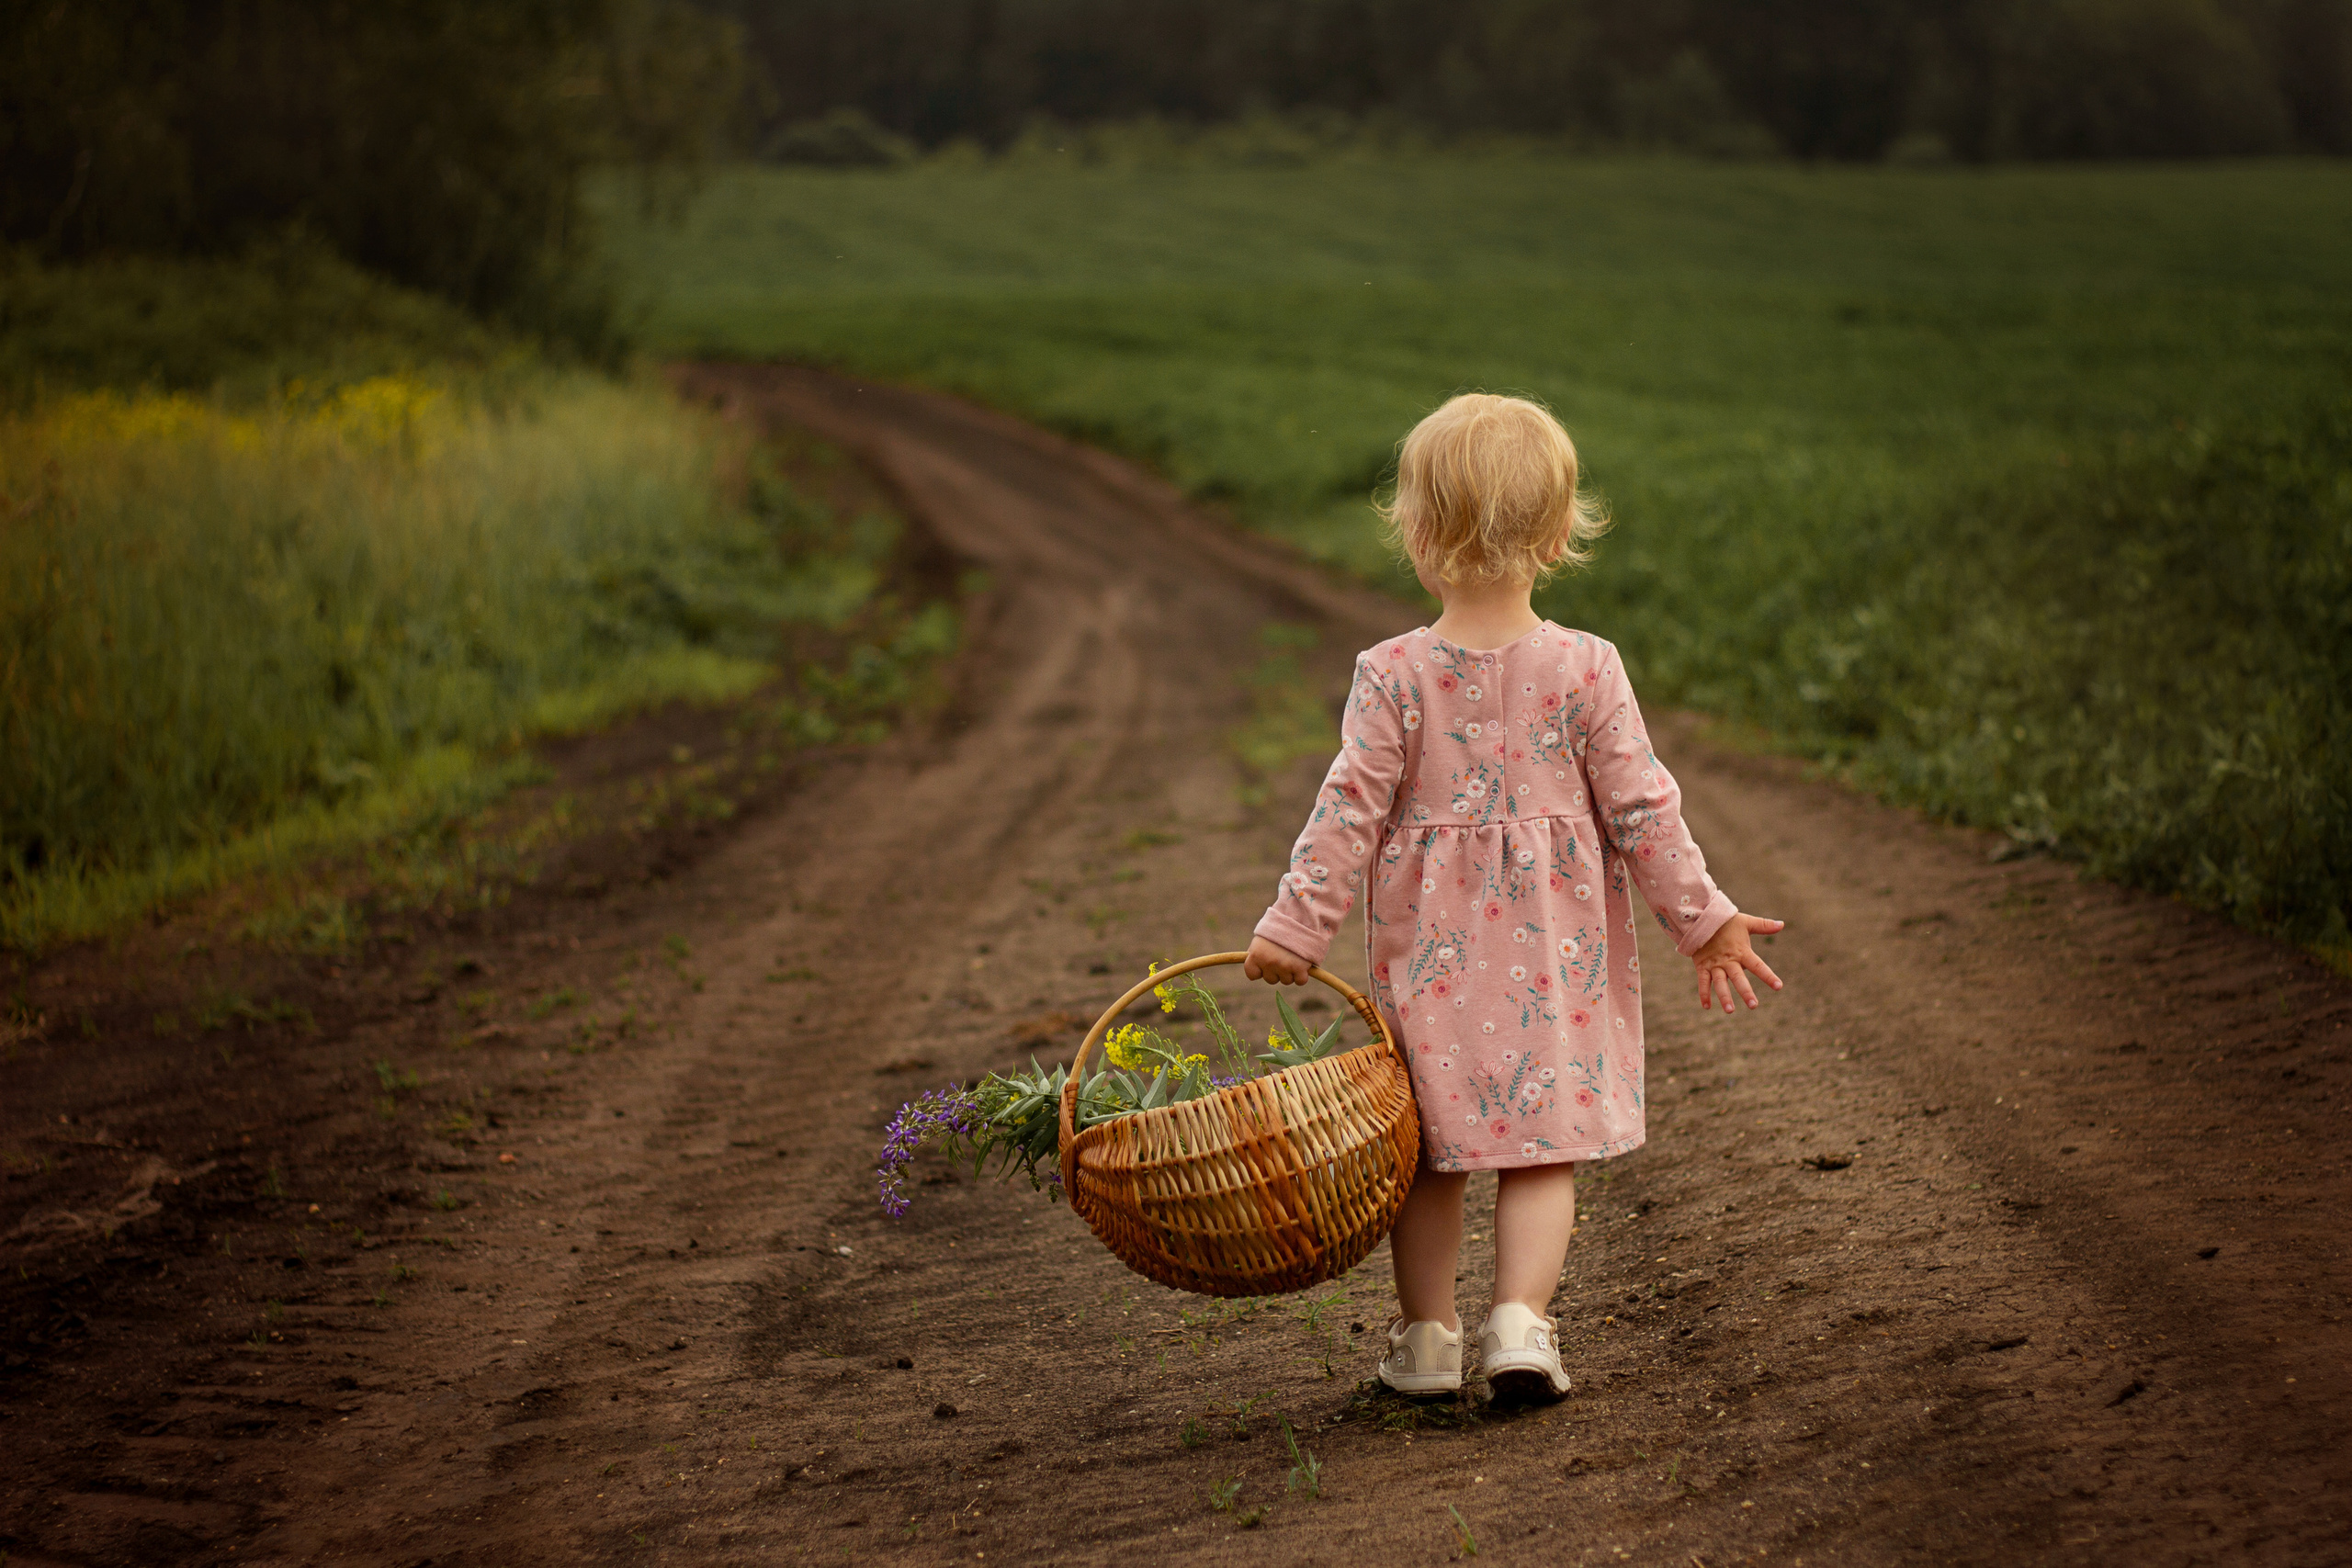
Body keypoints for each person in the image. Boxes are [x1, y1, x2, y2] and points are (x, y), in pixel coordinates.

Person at [1242, 392, 1784, 1405]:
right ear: (1559, 533)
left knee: (1426, 1155)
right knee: (1542, 1154)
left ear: (1416, 534)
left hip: (1430, 966)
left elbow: (1346, 809)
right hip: (1553, 964)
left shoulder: (1391, 674)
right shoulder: (1586, 667)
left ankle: (1428, 1339)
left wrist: (1297, 925)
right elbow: (1644, 811)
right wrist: (1703, 920)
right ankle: (1521, 1325)